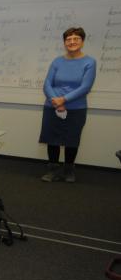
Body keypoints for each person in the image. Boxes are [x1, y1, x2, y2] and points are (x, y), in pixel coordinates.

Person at [38, 27, 96, 183]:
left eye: (76, 39)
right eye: (68, 39)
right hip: (52, 106)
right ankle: (53, 170)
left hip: (76, 108)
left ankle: (69, 170)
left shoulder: (89, 62)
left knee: (72, 139)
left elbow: (85, 87)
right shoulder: (57, 61)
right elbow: (47, 84)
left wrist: (63, 100)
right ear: (64, 42)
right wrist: (55, 101)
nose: (72, 42)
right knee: (52, 138)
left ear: (82, 41)